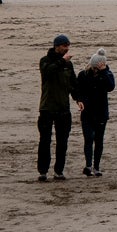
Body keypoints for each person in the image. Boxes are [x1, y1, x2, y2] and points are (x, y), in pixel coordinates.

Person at [36, 34, 75, 180]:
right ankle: (43, 171)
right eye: (64, 46)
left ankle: (59, 171)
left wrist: (79, 99)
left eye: (68, 46)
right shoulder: (45, 61)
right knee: (45, 141)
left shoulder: (68, 65)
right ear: (56, 46)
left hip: (63, 108)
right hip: (47, 107)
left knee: (62, 141)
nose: (66, 49)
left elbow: (73, 84)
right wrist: (61, 61)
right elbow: (48, 72)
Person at [74, 49, 115, 177]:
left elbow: (110, 87)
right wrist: (79, 100)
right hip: (87, 112)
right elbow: (77, 90)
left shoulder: (107, 74)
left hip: (101, 112)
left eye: (99, 66)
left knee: (99, 140)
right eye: (95, 66)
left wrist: (103, 72)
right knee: (88, 138)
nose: (96, 68)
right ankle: (88, 165)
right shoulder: (83, 75)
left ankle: (96, 166)